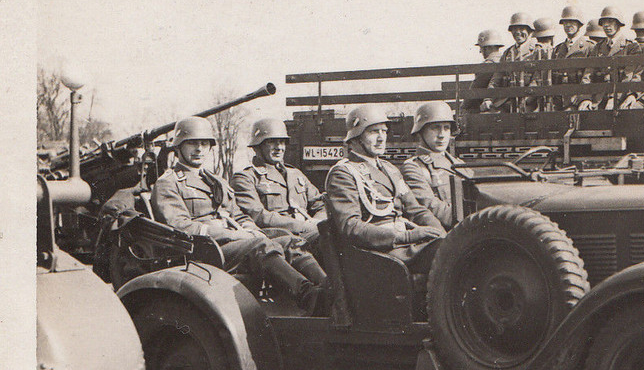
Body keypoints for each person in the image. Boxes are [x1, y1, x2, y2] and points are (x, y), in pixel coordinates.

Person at [152, 116, 327, 313]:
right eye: (192, 143)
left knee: (287, 239)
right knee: (260, 246)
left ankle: (326, 286)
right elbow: (181, 227)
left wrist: (251, 229)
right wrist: (237, 235)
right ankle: (308, 296)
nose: (199, 149)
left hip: (232, 243)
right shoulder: (168, 183)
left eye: (204, 143)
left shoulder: (214, 180)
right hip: (205, 249)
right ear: (178, 147)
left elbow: (238, 214)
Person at [323, 105, 445, 270]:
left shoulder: (389, 168)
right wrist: (405, 236)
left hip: (403, 244)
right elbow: (350, 226)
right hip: (379, 251)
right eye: (374, 132)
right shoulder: (344, 173)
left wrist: (443, 235)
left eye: (384, 131)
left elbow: (416, 209)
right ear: (356, 137)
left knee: (455, 248)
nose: (381, 138)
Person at [232, 117, 326, 247]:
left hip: (308, 233)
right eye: (272, 142)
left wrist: (318, 222)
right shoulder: (245, 178)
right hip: (278, 238)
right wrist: (304, 226)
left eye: (282, 142)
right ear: (257, 146)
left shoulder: (295, 174)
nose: (279, 148)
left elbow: (320, 204)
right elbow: (259, 216)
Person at [402, 101, 461, 230]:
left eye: (446, 128)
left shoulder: (458, 163)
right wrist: (468, 220)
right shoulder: (413, 167)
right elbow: (429, 205)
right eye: (435, 128)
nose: (442, 135)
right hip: (449, 231)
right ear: (420, 131)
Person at [502, 11, 545, 112]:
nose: (517, 32)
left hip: (531, 101)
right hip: (509, 99)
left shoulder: (538, 50)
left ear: (530, 31)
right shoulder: (508, 53)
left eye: (522, 29)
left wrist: (525, 99)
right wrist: (488, 99)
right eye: (514, 29)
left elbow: (538, 78)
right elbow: (497, 77)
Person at [553, 6, 592, 106]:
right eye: (565, 22)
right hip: (560, 100)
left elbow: (590, 75)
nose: (568, 25)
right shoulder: (558, 49)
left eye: (572, 22)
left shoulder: (589, 47)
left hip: (579, 99)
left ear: (579, 24)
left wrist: (584, 98)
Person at [473, 28, 508, 113]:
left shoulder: (487, 64)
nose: (480, 51)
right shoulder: (506, 59)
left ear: (486, 48)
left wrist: (462, 107)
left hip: (493, 106)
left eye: (481, 48)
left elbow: (474, 90)